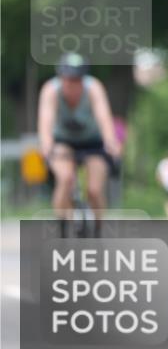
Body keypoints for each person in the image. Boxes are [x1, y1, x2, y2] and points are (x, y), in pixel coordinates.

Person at [37, 52, 121, 237]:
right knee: (65, 178)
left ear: (83, 78)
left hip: (93, 142)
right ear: (60, 77)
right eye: (67, 79)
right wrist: (46, 146)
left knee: (94, 190)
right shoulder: (51, 90)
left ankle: (98, 229)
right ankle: (62, 226)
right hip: (63, 142)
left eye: (76, 80)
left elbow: (104, 117)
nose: (71, 84)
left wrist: (111, 142)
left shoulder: (94, 88)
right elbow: (45, 122)